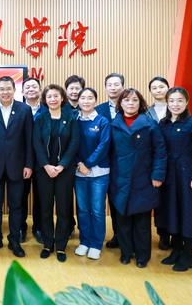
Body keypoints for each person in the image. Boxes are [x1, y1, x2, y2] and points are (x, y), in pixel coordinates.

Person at [110, 88, 166, 268]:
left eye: (134, 100)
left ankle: (142, 256)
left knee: (142, 222)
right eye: (126, 100)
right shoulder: (113, 124)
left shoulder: (150, 124)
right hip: (120, 179)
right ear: (120, 103)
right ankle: (126, 253)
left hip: (144, 178)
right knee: (123, 220)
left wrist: (157, 175)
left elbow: (160, 152)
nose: (130, 103)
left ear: (140, 103)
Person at [156, 87, 192, 272]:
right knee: (172, 213)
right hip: (169, 176)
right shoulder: (163, 123)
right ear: (167, 102)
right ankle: (176, 250)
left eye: (180, 100)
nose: (175, 104)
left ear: (186, 102)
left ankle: (188, 255)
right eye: (172, 101)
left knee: (187, 214)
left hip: (187, 176)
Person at [0, 76, 33, 258]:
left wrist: (28, 164)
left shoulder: (24, 109)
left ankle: (14, 240)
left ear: (14, 90)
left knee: (16, 205)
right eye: (2, 89)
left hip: (18, 166)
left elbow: (29, 139)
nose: (5, 92)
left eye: (8, 89)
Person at [33, 84, 79, 262]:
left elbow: (74, 143)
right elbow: (36, 143)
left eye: (56, 96)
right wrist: (46, 165)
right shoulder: (40, 118)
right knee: (45, 209)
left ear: (62, 98)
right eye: (49, 96)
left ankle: (60, 246)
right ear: (45, 100)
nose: (53, 99)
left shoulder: (71, 118)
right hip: (44, 170)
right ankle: (47, 243)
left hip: (64, 171)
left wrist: (61, 166)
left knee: (63, 209)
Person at [74, 87, 111, 260]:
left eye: (90, 98)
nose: (86, 101)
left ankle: (96, 244)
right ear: (78, 101)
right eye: (83, 98)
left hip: (99, 173)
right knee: (82, 209)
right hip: (79, 172)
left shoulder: (102, 121)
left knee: (97, 210)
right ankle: (84, 241)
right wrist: (79, 164)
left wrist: (87, 164)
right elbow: (71, 144)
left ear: (95, 100)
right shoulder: (74, 120)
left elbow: (104, 146)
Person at [95, 72, 125, 249]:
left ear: (122, 86)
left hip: (126, 163)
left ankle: (128, 236)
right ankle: (117, 235)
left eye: (116, 84)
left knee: (125, 200)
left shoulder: (131, 106)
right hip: (105, 162)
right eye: (110, 85)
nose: (113, 88)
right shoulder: (99, 110)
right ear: (105, 88)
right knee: (112, 201)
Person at [146, 76, 171, 250]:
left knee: (172, 198)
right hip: (154, 161)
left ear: (168, 88)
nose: (158, 90)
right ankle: (163, 234)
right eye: (154, 88)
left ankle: (175, 233)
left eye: (161, 86)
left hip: (175, 161)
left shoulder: (176, 108)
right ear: (150, 92)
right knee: (158, 199)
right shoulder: (147, 112)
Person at [21, 77, 45, 243]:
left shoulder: (48, 109)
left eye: (34, 86)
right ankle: (20, 228)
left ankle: (39, 228)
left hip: (43, 162)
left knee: (41, 196)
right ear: (22, 92)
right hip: (21, 162)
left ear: (40, 90)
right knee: (21, 196)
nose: (31, 89)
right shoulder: (18, 109)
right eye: (27, 87)